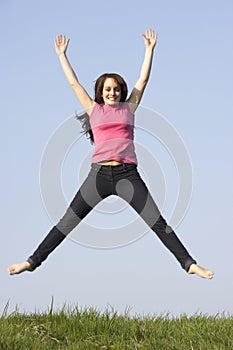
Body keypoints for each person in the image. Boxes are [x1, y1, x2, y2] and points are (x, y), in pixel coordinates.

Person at [8, 29, 214, 280]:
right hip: (99, 176)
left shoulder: (130, 108)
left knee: (157, 221)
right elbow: (74, 83)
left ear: (121, 91)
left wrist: (149, 51)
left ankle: (190, 264)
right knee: (67, 221)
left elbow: (142, 81)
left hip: (128, 174)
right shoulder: (94, 110)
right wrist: (62, 56)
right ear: (101, 92)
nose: (112, 93)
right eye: (108, 89)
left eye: (116, 89)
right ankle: (31, 262)